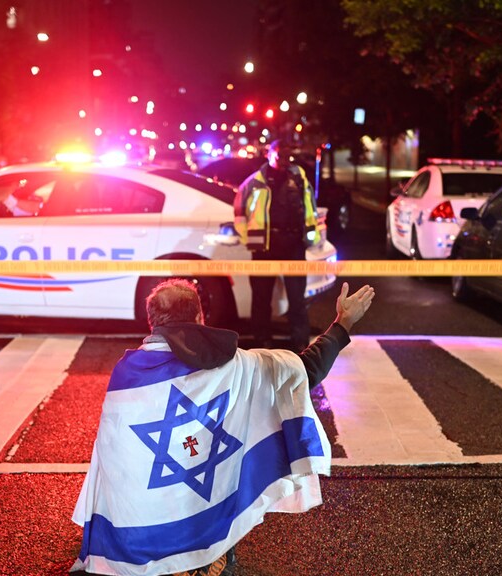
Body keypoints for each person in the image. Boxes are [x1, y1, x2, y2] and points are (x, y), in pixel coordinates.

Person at [72, 278, 375, 575]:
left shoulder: (126, 375)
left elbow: (112, 460)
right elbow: (304, 371)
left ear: (151, 324)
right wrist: (342, 323)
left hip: (138, 532)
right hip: (204, 503)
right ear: (199, 317)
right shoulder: (235, 366)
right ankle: (206, 555)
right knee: (222, 464)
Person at [234, 138, 322, 350]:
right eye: (279, 155)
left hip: (293, 245)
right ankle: (261, 340)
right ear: (269, 154)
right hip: (264, 248)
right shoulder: (255, 182)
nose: (284, 160)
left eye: (287, 156)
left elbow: (310, 208)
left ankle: (300, 342)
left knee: (297, 298)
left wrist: (311, 238)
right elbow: (239, 212)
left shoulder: (299, 178)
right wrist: (249, 238)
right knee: (261, 297)